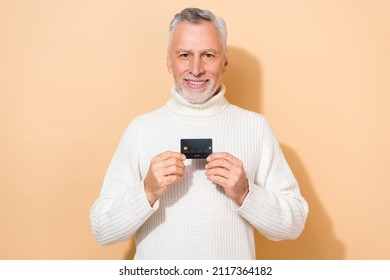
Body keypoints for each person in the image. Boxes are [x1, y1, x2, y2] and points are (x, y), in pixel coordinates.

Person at [90, 7, 308, 260]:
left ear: (224, 61)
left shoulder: (255, 127)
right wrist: (147, 191)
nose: (196, 69)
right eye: (184, 54)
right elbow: (103, 231)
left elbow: (294, 224)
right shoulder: (141, 129)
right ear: (168, 60)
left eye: (208, 55)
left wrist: (245, 192)